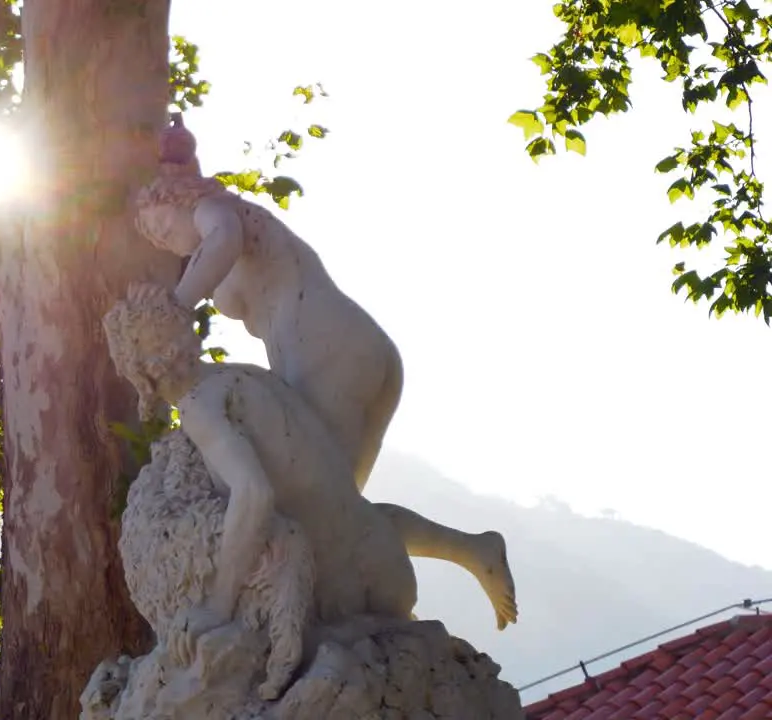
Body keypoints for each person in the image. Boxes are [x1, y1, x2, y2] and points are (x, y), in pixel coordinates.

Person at [135, 117, 517, 629]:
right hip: (349, 351)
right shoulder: (216, 231)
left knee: (329, 512)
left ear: (179, 197)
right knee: (339, 514)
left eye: (162, 227)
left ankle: (332, 625)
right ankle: (474, 551)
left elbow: (220, 239)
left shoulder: (216, 213)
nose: (168, 244)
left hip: (327, 352)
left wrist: (172, 310)